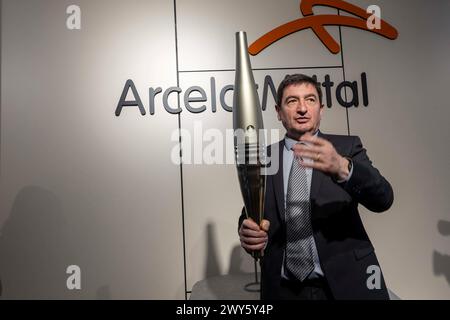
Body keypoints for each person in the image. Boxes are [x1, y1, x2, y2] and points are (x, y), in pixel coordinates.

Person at [238, 74, 394, 300]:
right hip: (283, 291)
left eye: (310, 100)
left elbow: (383, 199)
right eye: (292, 101)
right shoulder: (264, 158)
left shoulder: (346, 147)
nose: (302, 108)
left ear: (321, 109)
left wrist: (343, 167)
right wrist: (246, 232)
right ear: (279, 112)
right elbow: (250, 214)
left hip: (347, 285)